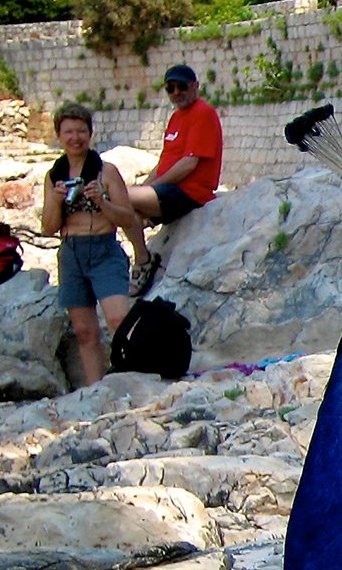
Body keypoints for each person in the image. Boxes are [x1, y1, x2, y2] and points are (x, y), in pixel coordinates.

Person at [42, 102, 147, 387]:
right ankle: (95, 389)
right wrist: (54, 198)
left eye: (81, 131)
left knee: (118, 320)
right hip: (71, 253)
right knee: (84, 331)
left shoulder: (106, 171)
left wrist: (102, 201)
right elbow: (48, 227)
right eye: (68, 132)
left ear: (90, 134)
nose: (75, 138)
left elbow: (127, 217)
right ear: (58, 135)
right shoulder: (54, 175)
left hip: (104, 249)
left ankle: (134, 379)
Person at [125, 62, 222, 294]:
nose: (176, 92)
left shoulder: (203, 113)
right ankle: (139, 256)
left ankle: (142, 259)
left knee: (119, 196)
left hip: (190, 192)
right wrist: (144, 187)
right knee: (120, 203)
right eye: (170, 88)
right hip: (171, 190)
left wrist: (151, 189)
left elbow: (189, 164)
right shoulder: (176, 118)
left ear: (195, 86)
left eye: (182, 86)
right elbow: (164, 163)